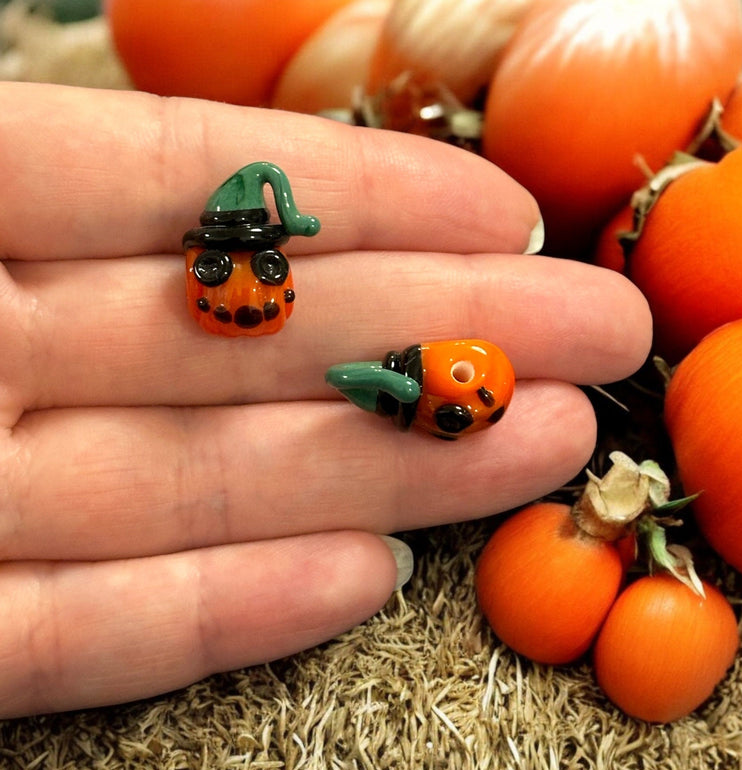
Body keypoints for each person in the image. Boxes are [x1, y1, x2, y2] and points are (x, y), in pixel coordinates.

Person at [0, 81, 651, 718]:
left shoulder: (418, 380)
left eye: (268, 268)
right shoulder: (245, 281)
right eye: (222, 270)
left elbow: (352, 367)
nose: (252, 286)